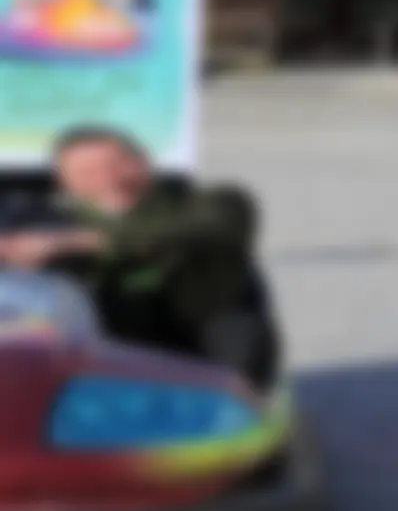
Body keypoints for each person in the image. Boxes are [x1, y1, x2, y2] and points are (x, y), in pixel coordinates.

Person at [0, 126, 278, 385]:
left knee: (230, 323)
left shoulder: (214, 203)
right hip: (110, 340)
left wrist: (78, 242)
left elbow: (198, 229)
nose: (108, 180)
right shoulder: (45, 219)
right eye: (87, 173)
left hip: (205, 332)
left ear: (142, 162)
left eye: (116, 166)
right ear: (66, 184)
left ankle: (239, 404)